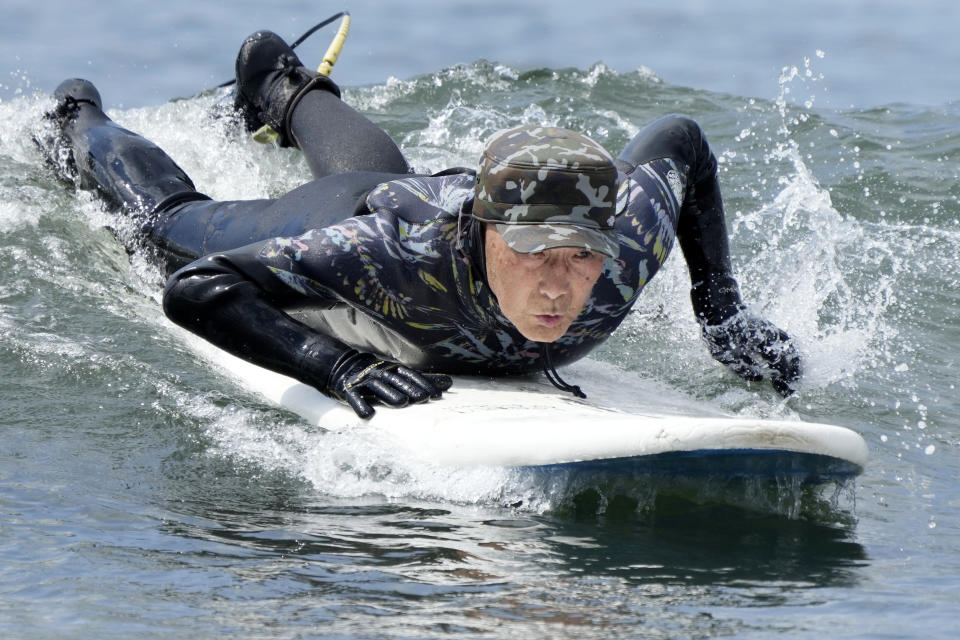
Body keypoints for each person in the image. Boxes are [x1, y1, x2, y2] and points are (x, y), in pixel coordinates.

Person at [39, 30, 801, 418]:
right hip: (359, 214)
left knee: (387, 175)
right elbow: (199, 290)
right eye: (534, 254)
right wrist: (337, 368)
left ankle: (279, 86)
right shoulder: (385, 257)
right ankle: (78, 118)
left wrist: (722, 313)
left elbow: (682, 139)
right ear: (485, 232)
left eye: (579, 256)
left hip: (411, 193)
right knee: (167, 228)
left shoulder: (628, 243)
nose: (559, 285)